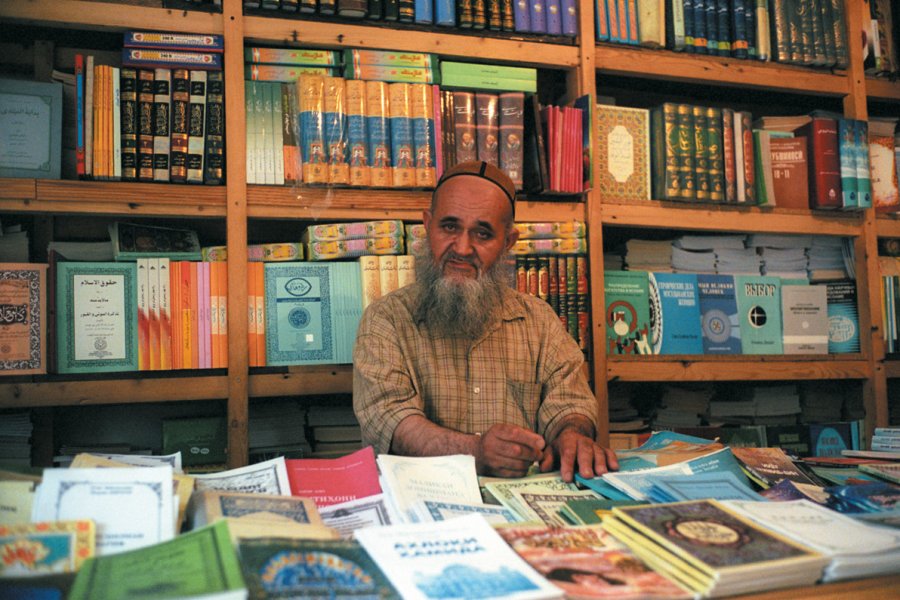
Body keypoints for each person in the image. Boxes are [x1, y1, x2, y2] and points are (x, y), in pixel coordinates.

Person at [352, 161, 617, 482]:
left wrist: (571, 434)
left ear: (508, 242)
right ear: (427, 227)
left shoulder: (540, 321)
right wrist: (475, 452)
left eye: (482, 233)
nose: (462, 248)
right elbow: (390, 422)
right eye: (449, 227)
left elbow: (570, 402)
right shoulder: (386, 319)